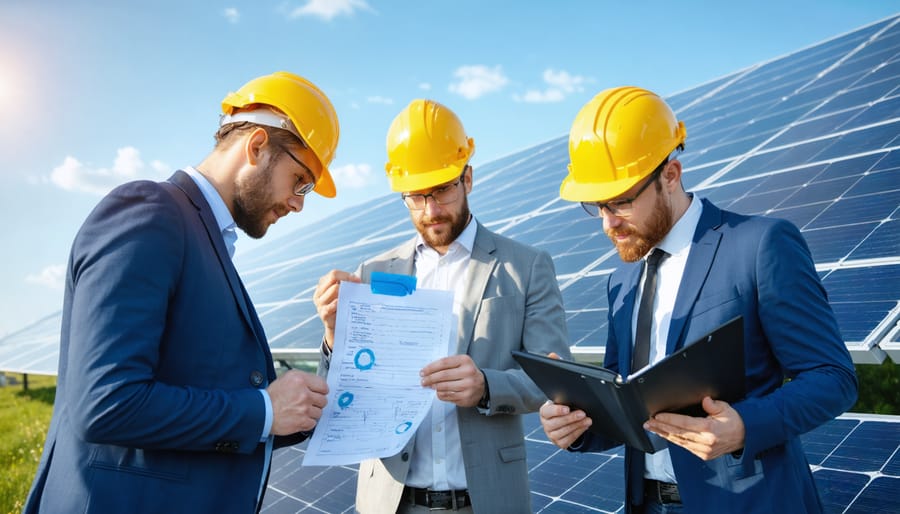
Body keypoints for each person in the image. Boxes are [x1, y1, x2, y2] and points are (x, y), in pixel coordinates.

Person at [24, 71, 340, 514]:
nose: (298, 202)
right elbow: (105, 402)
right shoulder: (149, 213)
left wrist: (322, 358)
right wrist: (263, 410)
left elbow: (221, 403)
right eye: (301, 179)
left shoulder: (205, 241)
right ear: (257, 147)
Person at [539, 86, 858, 514]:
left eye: (620, 202)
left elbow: (833, 377)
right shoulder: (621, 279)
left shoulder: (760, 245)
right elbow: (627, 406)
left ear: (670, 175)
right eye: (596, 206)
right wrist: (575, 425)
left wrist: (744, 426)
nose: (607, 223)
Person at [313, 99, 572, 513]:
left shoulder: (525, 266)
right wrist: (331, 334)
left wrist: (486, 386)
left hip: (486, 500)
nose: (431, 210)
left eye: (443, 190)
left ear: (467, 177)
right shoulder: (374, 271)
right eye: (416, 196)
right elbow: (341, 392)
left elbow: (553, 378)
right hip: (393, 501)